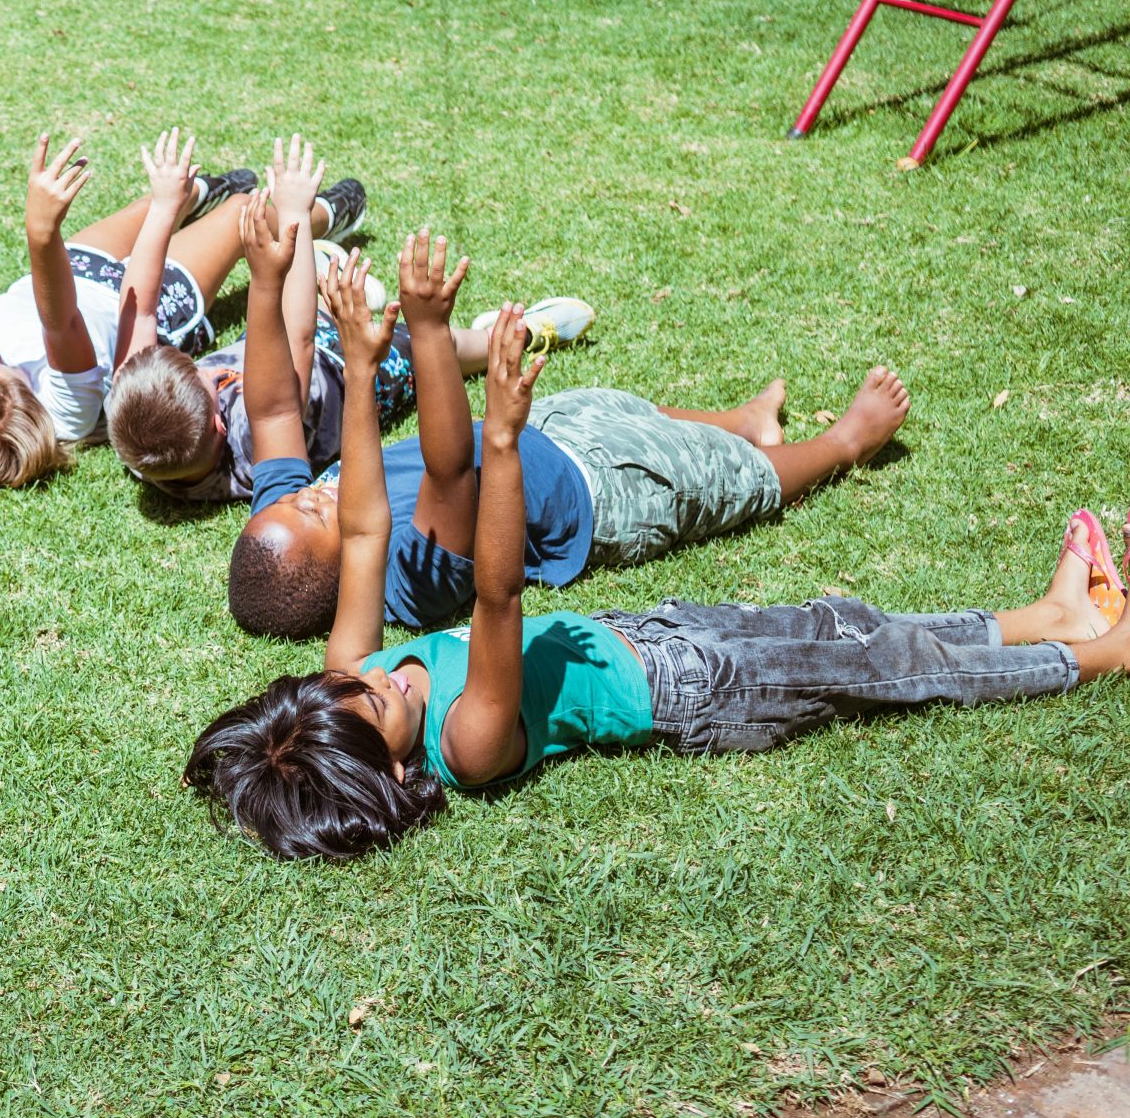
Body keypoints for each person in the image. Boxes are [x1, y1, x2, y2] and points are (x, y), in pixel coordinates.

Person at [186, 282, 1130, 862]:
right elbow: (499, 594)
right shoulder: (467, 746)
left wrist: (358, 356)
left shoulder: (352, 672)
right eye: (382, 700)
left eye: (353, 679)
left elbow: (362, 532)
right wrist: (503, 438)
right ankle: (1096, 658)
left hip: (654, 634)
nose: (379, 673)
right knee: (884, 667)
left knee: (858, 630)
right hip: (700, 690)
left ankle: (1043, 615)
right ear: (397, 766)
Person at [227, 229, 911, 637]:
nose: (313, 491)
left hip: (541, 429)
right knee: (721, 475)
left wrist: (265, 280)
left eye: (294, 498)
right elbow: (446, 471)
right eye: (315, 510)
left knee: (629, 407)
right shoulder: (411, 579)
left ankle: (745, 422)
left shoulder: (280, 520)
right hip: (603, 493)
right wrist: (430, 332)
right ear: (344, 570)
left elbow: (276, 415)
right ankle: (844, 443)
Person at [106, 138, 584, 503]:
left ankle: (324, 271)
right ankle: (511, 335)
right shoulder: (257, 441)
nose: (204, 368)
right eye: (203, 378)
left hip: (285, 337)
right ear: (217, 422)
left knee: (308, 296)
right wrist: (293, 212)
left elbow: (140, 304)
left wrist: (167, 205)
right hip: (346, 364)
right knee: (432, 348)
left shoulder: (136, 434)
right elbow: (301, 338)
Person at [0, 125, 260, 489]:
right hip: (142, 302)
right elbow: (60, 323)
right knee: (242, 214)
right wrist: (42, 232)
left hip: (73, 269)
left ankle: (199, 190)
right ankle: (321, 213)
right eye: (9, 374)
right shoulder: (65, 415)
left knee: (151, 205)